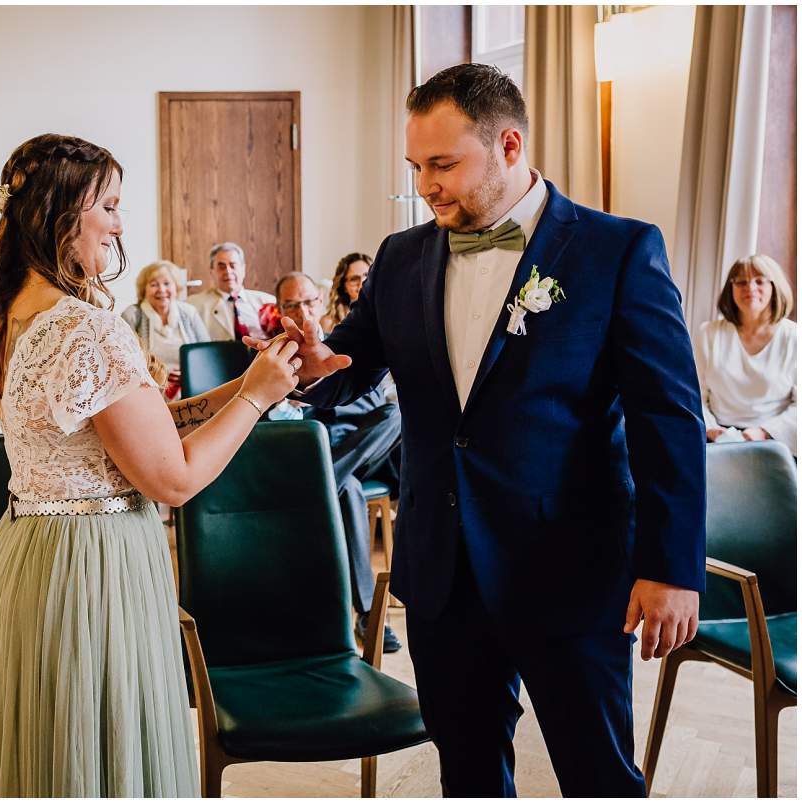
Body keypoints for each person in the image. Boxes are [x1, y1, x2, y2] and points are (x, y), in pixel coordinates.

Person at [246, 64, 705, 796]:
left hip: (568, 568)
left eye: (442, 164)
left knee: (598, 775)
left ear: (510, 146)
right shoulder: (400, 257)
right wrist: (313, 365)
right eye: (415, 166)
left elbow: (668, 417)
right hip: (442, 571)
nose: (425, 185)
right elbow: (355, 362)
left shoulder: (616, 251)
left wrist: (672, 565)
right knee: (467, 775)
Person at [0, 133, 300, 797]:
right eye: (110, 206)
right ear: (63, 213)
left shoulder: (19, 314)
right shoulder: (84, 327)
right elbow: (171, 478)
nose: (121, 223)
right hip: (93, 565)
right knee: (98, 755)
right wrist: (257, 400)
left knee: (53, 760)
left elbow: (139, 429)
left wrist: (256, 379)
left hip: (31, 555)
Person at [268, 272, 403, 653]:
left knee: (396, 416)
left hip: (366, 447)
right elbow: (267, 415)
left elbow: (376, 399)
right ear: (280, 311)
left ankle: (324, 484)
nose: (302, 309)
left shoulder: (346, 341)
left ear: (320, 301)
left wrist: (331, 391)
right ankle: (365, 613)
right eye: (292, 304)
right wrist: (287, 400)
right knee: (347, 489)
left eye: (308, 301)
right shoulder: (274, 353)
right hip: (318, 450)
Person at [695, 254, 796, 456]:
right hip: (714, 436)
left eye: (760, 281)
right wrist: (712, 429)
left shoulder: (794, 337)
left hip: (774, 441)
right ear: (730, 289)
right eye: (741, 281)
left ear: (775, 287)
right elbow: (695, 394)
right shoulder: (708, 333)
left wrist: (763, 432)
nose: (750, 288)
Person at [120, 260, 209, 399]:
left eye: (167, 283)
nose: (161, 290)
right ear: (144, 289)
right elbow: (124, 361)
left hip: (191, 391)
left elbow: (206, 354)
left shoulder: (189, 312)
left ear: (176, 287)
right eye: (154, 284)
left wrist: (190, 372)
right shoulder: (132, 315)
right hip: (148, 393)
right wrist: (159, 375)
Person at [186, 241, 275, 342]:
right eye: (221, 266)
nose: (228, 271)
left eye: (233, 265)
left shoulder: (268, 301)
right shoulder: (193, 305)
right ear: (212, 271)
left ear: (243, 269)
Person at [321, 252, 373, 333]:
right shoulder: (329, 322)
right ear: (343, 286)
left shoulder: (383, 316)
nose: (362, 283)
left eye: (367, 275)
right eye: (354, 279)